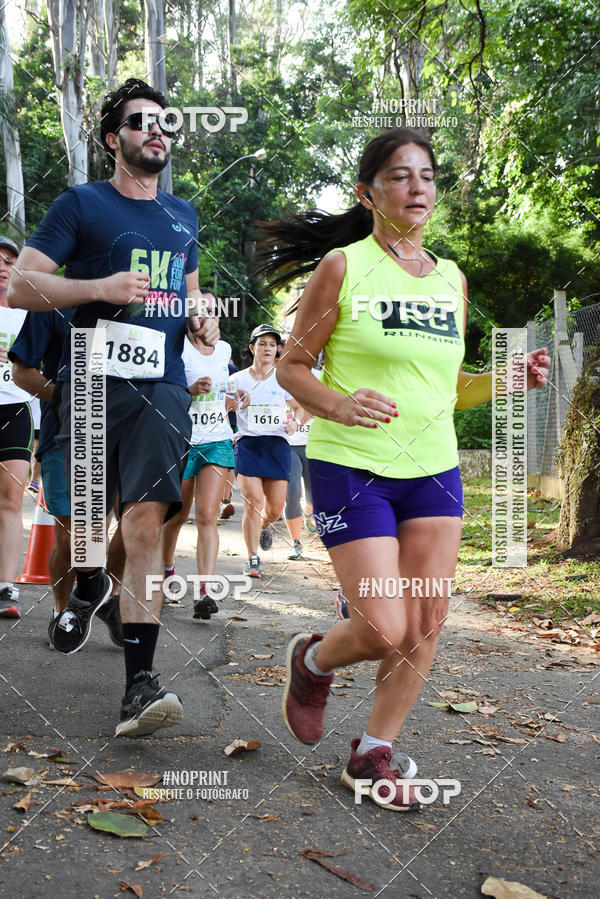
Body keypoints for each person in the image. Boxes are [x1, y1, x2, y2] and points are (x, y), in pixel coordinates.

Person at [258, 127, 550, 811]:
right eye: (399, 175)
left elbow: (446, 387)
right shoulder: (343, 267)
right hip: (351, 464)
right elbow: (294, 367)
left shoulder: (452, 279)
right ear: (368, 193)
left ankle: (372, 753)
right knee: (383, 625)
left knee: (425, 620)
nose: (417, 187)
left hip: (434, 469)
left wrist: (504, 379)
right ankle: (311, 660)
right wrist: (338, 402)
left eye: (426, 175)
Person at [8, 78, 218, 737]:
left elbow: (191, 292)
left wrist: (202, 316)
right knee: (87, 527)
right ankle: (87, 586)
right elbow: (22, 285)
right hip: (92, 385)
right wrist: (99, 286)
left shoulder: (183, 215)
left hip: (162, 387)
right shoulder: (81, 204)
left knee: (146, 522)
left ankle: (139, 685)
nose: (156, 131)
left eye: (164, 122)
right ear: (112, 139)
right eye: (140, 122)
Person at [10, 309, 125, 647]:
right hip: (64, 435)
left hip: (122, 435)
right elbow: (22, 372)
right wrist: (71, 398)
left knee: (131, 524)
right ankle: (65, 610)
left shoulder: (130, 302)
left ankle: (108, 598)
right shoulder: (51, 305)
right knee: (71, 535)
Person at [162, 288, 237, 620]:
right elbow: (164, 392)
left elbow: (225, 393)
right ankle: (167, 571)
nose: (205, 316)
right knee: (177, 515)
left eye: (211, 310)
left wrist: (237, 397)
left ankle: (205, 591)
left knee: (207, 515)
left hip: (217, 440)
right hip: (182, 440)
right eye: (199, 310)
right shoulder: (177, 348)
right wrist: (189, 391)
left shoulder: (224, 350)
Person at [229, 324, 297, 578]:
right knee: (253, 502)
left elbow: (301, 407)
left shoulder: (284, 378)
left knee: (275, 509)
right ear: (252, 348)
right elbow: (222, 407)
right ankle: (252, 558)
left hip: (277, 445)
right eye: (262, 344)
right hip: (248, 444)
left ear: (277, 349)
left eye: (272, 344)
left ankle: (264, 527)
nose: (268, 348)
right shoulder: (236, 379)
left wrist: (295, 421)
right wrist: (233, 405)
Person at [0, 236, 33, 618]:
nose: (3, 265)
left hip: (14, 409)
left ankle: (5, 587)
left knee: (11, 498)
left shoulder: (29, 314)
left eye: (10, 260)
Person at [284, 400, 315, 560]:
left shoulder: (319, 384)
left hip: (314, 444)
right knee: (292, 490)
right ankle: (295, 542)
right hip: (288, 445)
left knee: (313, 498)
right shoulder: (282, 385)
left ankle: (309, 511)